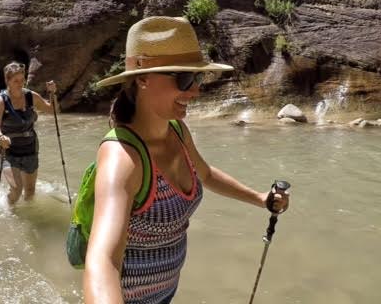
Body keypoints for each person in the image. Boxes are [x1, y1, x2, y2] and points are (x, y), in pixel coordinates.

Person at [83, 16, 290, 304]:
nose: (195, 90)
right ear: (142, 78)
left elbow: (205, 174)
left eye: (197, 78)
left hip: (166, 293)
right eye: (184, 79)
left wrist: (259, 198)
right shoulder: (122, 157)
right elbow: (102, 262)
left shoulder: (178, 131)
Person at [0, 61, 58, 205]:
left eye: (22, 80)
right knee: (16, 189)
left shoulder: (30, 96)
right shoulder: (1, 101)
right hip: (9, 151)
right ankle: (10, 211)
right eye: (16, 81)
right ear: (7, 81)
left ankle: (29, 219)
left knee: (30, 191)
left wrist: (52, 93)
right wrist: (0, 137)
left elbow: (53, 110)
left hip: (30, 149)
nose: (20, 84)